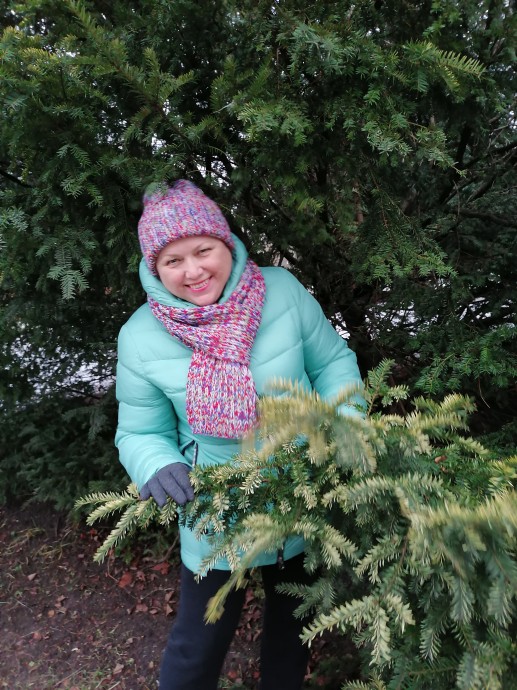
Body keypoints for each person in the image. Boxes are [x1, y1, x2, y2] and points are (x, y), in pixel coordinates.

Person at [115, 180, 364, 690]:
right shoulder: (140, 336)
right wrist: (157, 463)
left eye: (203, 250)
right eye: (172, 261)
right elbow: (140, 430)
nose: (193, 271)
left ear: (226, 243)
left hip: (301, 486)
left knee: (292, 626)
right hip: (215, 502)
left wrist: (345, 428)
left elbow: (335, 366)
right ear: (154, 269)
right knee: (199, 638)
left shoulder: (283, 292)